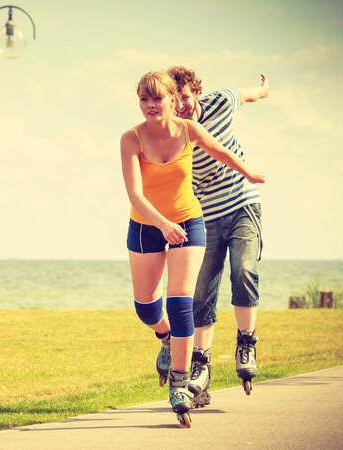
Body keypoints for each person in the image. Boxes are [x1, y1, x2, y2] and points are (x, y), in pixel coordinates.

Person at [120, 71, 265, 426]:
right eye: (144, 99)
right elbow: (135, 193)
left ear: (172, 100)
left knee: (182, 300)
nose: (151, 106)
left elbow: (221, 151)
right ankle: (166, 337)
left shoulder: (188, 130)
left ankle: (181, 385)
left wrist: (248, 172)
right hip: (146, 227)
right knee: (146, 309)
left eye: (158, 98)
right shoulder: (131, 139)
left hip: (187, 222)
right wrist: (162, 224)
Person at [166, 66, 270, 400]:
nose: (181, 105)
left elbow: (252, 95)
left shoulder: (221, 101)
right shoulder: (173, 131)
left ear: (195, 92)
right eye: (175, 99)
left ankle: (246, 343)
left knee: (244, 270)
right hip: (205, 215)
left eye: (184, 96)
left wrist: (265, 88)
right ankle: (201, 365)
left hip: (242, 202)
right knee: (200, 294)